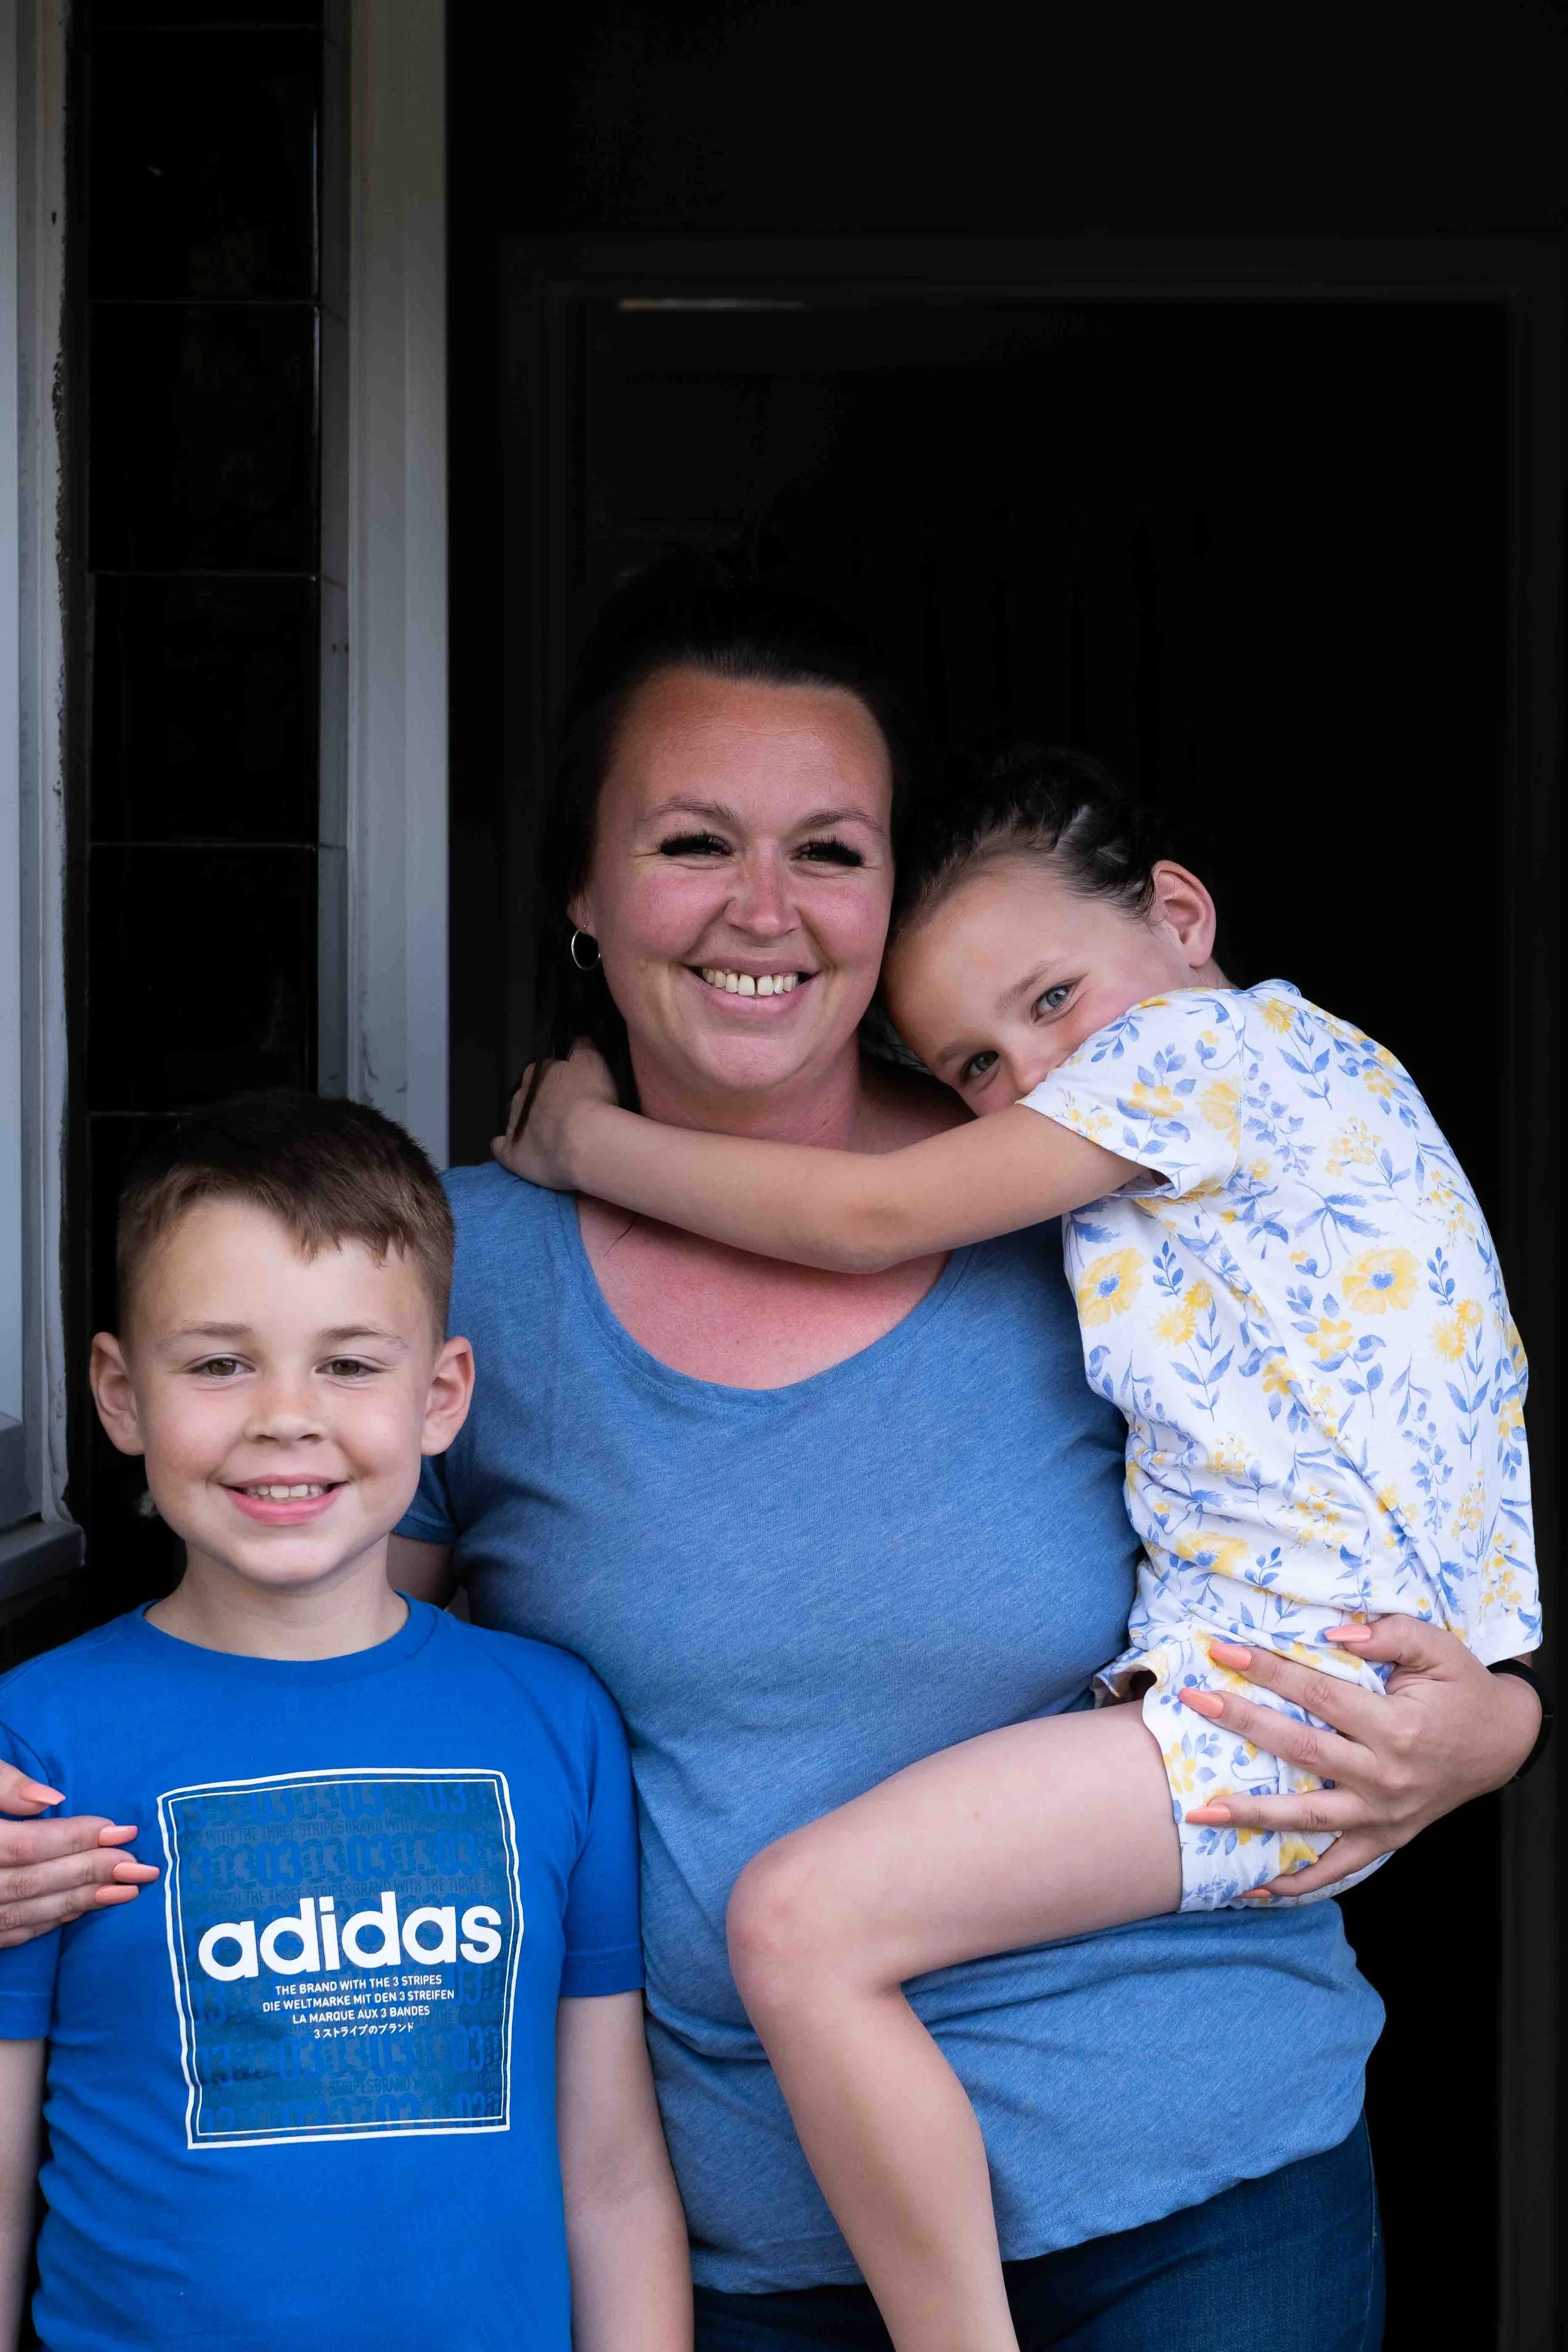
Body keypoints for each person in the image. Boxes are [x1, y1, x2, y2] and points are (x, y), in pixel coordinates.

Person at [0, 571, 1543, 2351]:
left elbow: (1365, 1497)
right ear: (582, 888)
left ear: (890, 898)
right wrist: (53, 1831)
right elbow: (315, 1709)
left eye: (828, 848)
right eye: (688, 841)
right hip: (740, 2244)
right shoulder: (440, 1279)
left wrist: (1491, 1724)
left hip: (1197, 2184)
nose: (762, 908)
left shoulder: (1080, 1186)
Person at [504, 743, 1542, 2351]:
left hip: (1271, 1706)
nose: (1037, 1079)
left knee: (799, 1926)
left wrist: (584, 1144)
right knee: (811, 1926)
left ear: (1180, 917)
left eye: (1052, 1002)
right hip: (1331, 1687)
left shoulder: (1205, 1065)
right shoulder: (1314, 1092)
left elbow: (863, 1219)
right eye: (978, 1065)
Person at [0, 1094, 691, 2352]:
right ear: (117, 1394)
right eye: (218, 1363)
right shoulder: (35, 1749)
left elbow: (610, 2173)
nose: (285, 1416)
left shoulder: (550, 1720)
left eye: (349, 1363)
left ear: (440, 1398)